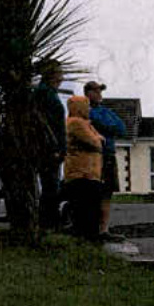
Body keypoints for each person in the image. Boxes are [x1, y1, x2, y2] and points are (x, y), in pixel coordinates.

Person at [83, 81, 127, 240]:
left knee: (107, 192)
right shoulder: (85, 111)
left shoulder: (106, 110)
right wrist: (107, 127)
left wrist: (107, 127)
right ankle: (92, 229)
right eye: (96, 91)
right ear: (88, 93)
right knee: (93, 191)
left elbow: (121, 128)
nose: (99, 94)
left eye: (100, 91)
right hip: (94, 155)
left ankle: (104, 229)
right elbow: (97, 125)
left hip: (108, 154)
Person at [62, 95, 104, 239]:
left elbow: (100, 140)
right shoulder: (76, 123)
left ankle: (89, 237)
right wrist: (98, 140)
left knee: (91, 209)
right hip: (81, 173)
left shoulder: (86, 123)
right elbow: (96, 142)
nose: (89, 109)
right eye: (86, 106)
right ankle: (86, 239)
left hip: (90, 173)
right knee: (85, 209)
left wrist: (98, 139)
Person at [33, 59, 66, 230]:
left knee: (51, 186)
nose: (62, 77)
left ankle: (50, 222)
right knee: (50, 187)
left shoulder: (48, 93)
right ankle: (49, 224)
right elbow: (45, 125)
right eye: (59, 73)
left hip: (52, 148)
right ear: (51, 75)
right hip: (49, 149)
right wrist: (54, 148)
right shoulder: (45, 94)